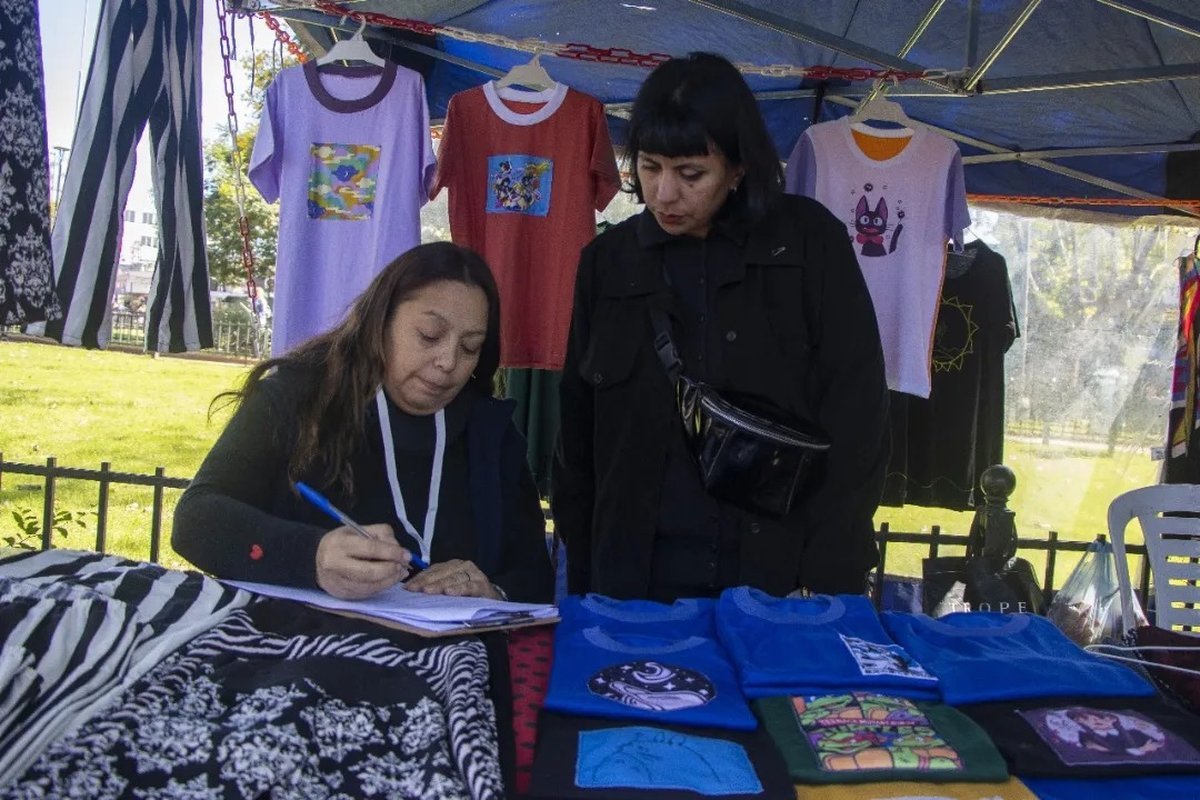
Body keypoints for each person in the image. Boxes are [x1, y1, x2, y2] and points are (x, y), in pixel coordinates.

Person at [552, 52, 889, 602]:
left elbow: (859, 419)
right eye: (649, 166)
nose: (664, 193)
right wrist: (587, 567)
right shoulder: (608, 263)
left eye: (690, 174)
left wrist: (828, 572)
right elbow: (577, 435)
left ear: (738, 168)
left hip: (779, 577)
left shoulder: (809, 245)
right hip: (636, 580)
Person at [174, 242, 554, 604]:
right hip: (299, 647)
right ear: (381, 321)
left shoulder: (491, 433)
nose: (448, 361)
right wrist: (313, 557)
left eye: (470, 347)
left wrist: (491, 591)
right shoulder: (297, 397)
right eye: (429, 335)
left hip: (451, 661)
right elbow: (195, 519)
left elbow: (535, 574)